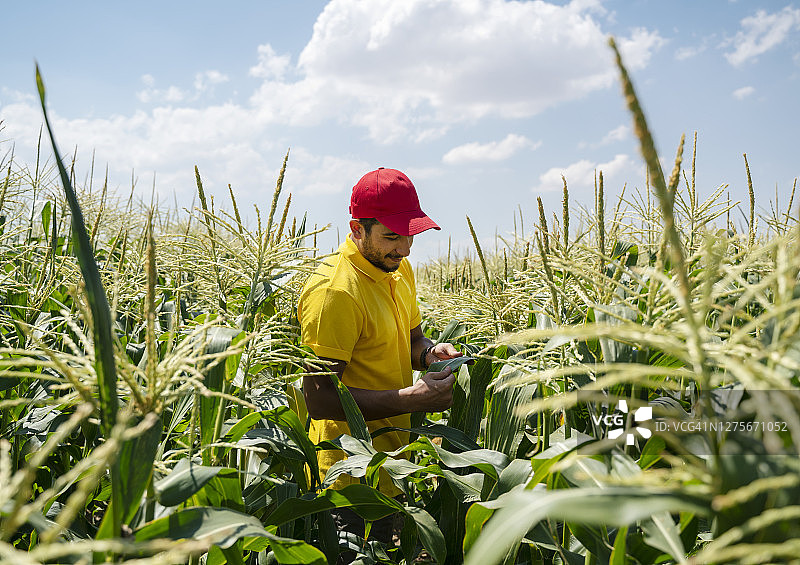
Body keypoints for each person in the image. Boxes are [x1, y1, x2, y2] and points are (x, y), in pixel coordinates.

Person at [297, 167, 462, 556]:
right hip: (347, 477)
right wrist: (410, 400)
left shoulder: (396, 269)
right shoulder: (335, 294)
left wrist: (428, 354)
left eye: (410, 235)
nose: (404, 249)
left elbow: (411, 339)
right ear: (357, 229)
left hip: (393, 463)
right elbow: (319, 399)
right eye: (391, 236)